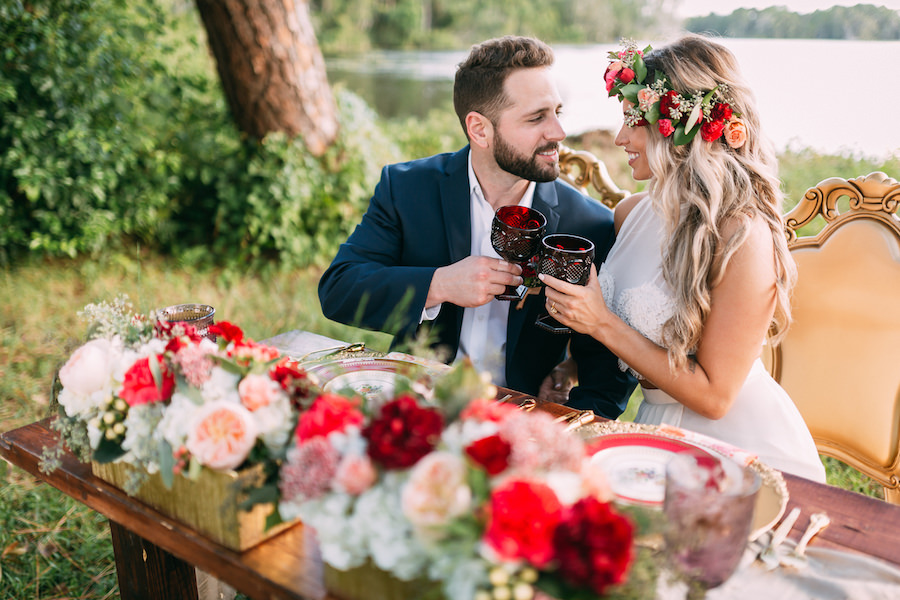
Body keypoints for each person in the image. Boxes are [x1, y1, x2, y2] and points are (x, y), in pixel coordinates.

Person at [539, 35, 826, 481]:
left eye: (635, 120)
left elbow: (715, 397)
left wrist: (600, 322)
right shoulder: (630, 213)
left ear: (682, 126)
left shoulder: (741, 236)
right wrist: (571, 366)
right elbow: (641, 332)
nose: (619, 138)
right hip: (654, 433)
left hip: (740, 450)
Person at [318, 35, 636, 418]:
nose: (558, 132)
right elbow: (339, 289)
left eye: (557, 112)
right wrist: (440, 284)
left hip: (523, 425)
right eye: (537, 118)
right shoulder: (406, 188)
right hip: (414, 409)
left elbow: (608, 376)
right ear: (479, 129)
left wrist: (559, 429)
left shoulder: (588, 225)